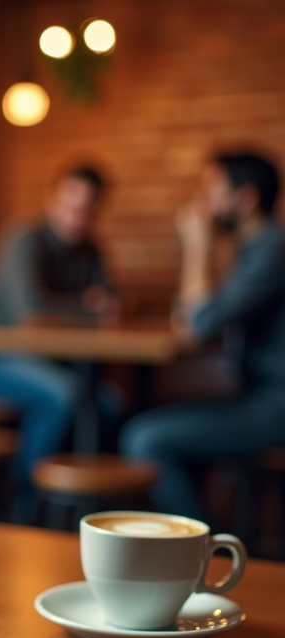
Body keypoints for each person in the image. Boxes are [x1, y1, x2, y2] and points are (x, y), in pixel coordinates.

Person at [121, 152, 285, 522]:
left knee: (145, 438)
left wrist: (197, 244)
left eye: (212, 190)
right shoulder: (257, 249)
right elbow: (197, 319)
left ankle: (207, 554)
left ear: (246, 199)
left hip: (275, 405)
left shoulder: (272, 250)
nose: (201, 201)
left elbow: (195, 323)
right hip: (259, 397)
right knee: (142, 424)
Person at [0, 166, 119, 510]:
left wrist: (103, 305)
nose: (78, 216)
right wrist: (90, 307)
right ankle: (26, 504)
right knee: (64, 395)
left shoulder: (91, 250)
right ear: (52, 199)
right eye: (72, 205)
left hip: (48, 363)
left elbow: (111, 303)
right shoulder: (23, 238)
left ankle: (82, 509)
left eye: (88, 209)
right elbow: (30, 312)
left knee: (108, 404)